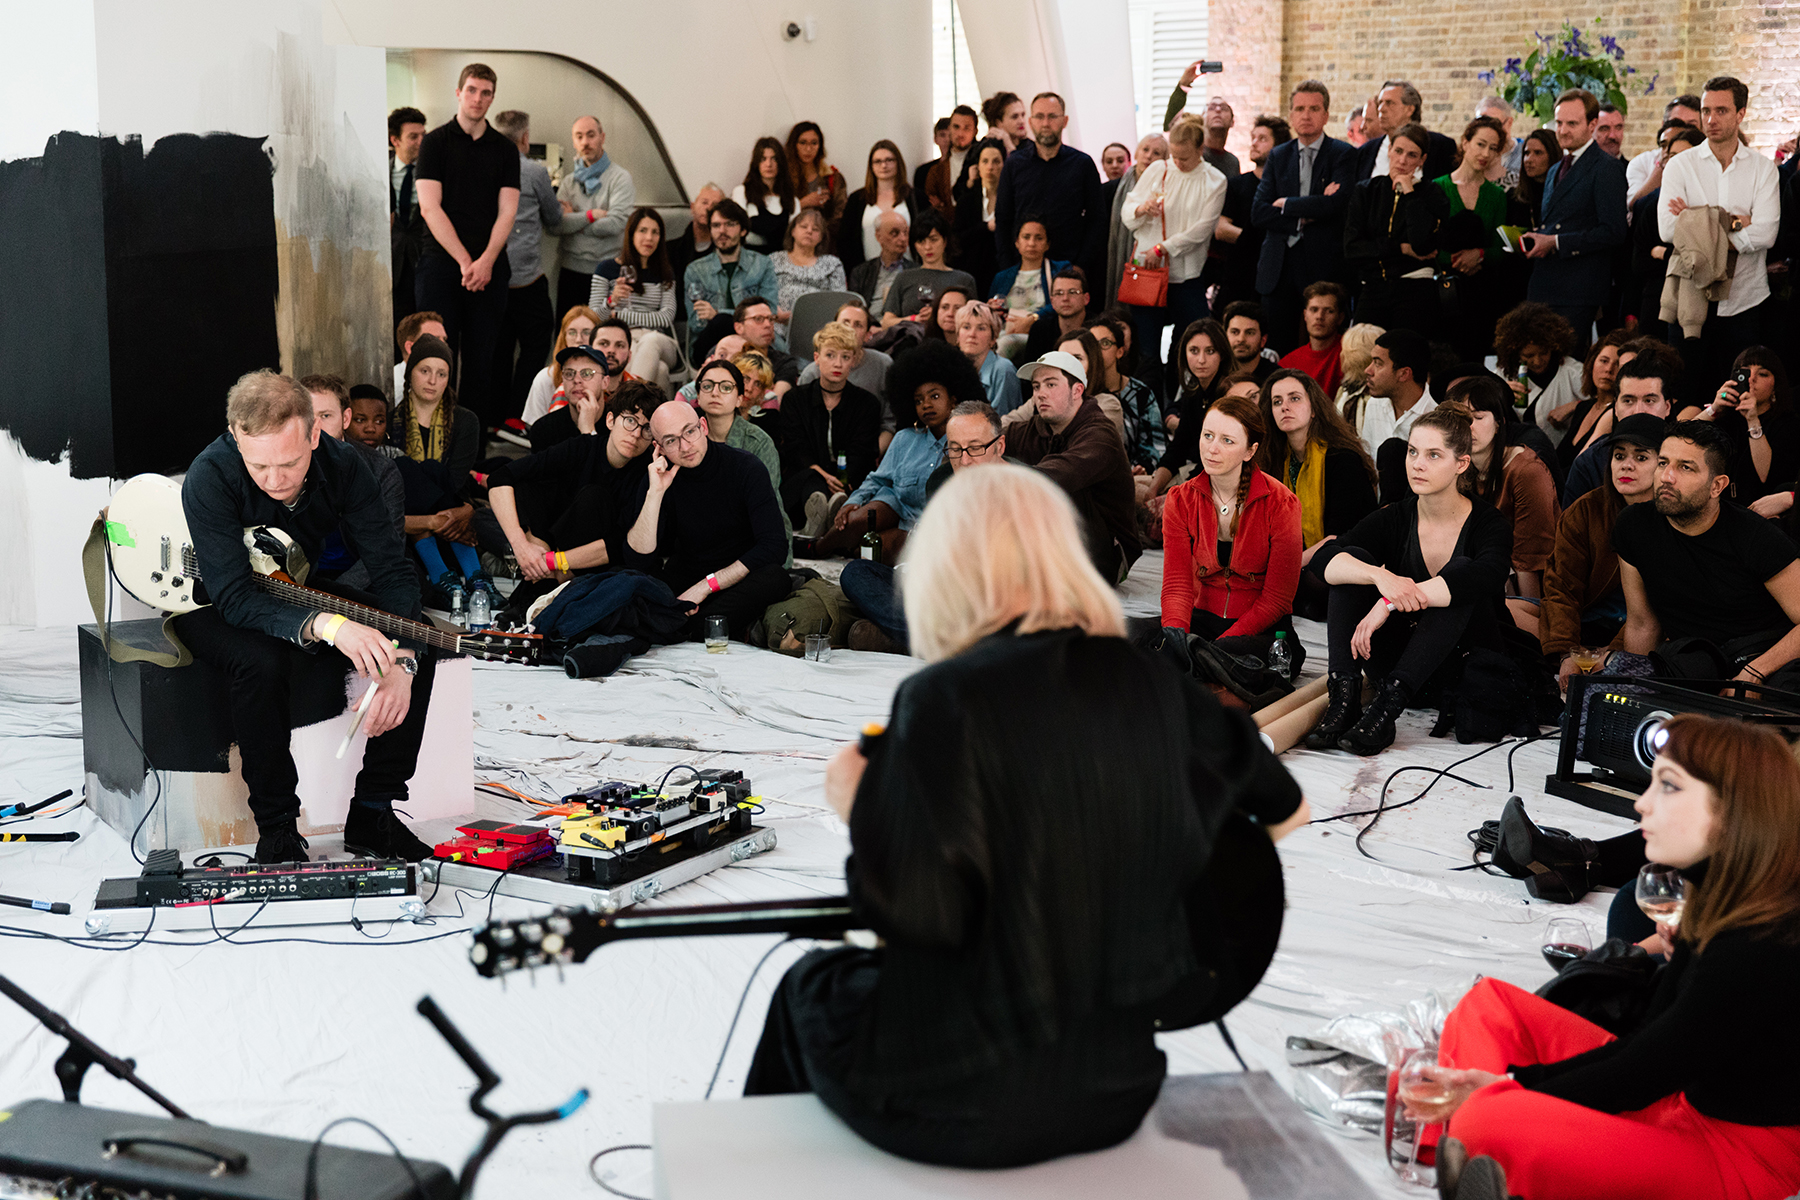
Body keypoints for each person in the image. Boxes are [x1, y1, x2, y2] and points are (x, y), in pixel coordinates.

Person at [743, 461, 1308, 1169]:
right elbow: (1285, 810)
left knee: (809, 986)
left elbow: (914, 917)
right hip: (1117, 1086)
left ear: (948, 569)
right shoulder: (1155, 685)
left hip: (961, 1101)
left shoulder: (945, 698)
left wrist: (865, 806)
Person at [1423, 714, 1800, 1200]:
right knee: (1490, 1004)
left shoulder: (1761, 939)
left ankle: (1474, 1141)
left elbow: (1647, 1069)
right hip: (1676, 1102)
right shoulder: (1720, 900)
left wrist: (1509, 1090)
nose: (1642, 803)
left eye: (1668, 786)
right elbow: (1647, 1040)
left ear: (1732, 814)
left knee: (1489, 1115)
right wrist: (1511, 1083)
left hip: (1736, 1155)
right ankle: (1461, 1146)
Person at [177, 370, 437, 864]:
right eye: (259, 466)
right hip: (209, 600)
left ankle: (374, 812)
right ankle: (277, 829)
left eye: (290, 463)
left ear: (315, 434)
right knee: (261, 661)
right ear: (235, 436)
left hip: (293, 589)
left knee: (415, 630)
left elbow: (392, 568)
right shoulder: (209, 474)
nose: (275, 480)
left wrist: (403, 659)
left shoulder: (346, 465)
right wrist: (329, 625)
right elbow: (234, 597)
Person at [1306, 407, 1513, 754]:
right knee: (1352, 559)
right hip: (1398, 660)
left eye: (1433, 455)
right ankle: (1344, 698)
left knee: (1460, 572)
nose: (1417, 464)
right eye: (1413, 451)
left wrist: (1388, 602)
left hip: (1463, 667)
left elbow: (1485, 576)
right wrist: (1380, 577)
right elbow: (1323, 560)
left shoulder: (1489, 523)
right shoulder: (1396, 516)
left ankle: (1385, 713)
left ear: (1461, 463)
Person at [1616, 420, 1800, 691]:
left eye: (1685, 467)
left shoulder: (1756, 536)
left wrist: (1755, 673)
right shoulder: (1633, 526)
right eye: (1663, 463)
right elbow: (1643, 624)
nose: (1667, 477)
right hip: (1697, 662)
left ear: (1717, 486)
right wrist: (1636, 692)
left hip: (1766, 659)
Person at [1158, 393, 1304, 700]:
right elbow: (1176, 586)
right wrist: (1178, 639)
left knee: (1228, 656)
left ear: (1250, 451)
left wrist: (1211, 650)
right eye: (1208, 435)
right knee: (1134, 636)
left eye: (1227, 441)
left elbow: (1277, 599)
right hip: (1202, 620)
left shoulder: (1281, 503)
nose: (1212, 448)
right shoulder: (1180, 499)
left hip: (1260, 631)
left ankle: (1203, 681)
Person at [624, 401, 792, 641]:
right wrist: (655, 494)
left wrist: (706, 586)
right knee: (629, 581)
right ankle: (706, 626)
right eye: (671, 441)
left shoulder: (745, 467)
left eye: (689, 432)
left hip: (737, 580)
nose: (685, 446)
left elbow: (774, 546)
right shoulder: (659, 477)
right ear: (658, 447)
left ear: (703, 426)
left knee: (776, 578)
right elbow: (638, 560)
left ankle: (683, 625)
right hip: (686, 578)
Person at [413, 63, 520, 430]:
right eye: (471, 90)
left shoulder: (505, 149)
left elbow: (508, 211)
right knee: (435, 359)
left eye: (485, 92)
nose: (478, 98)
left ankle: (473, 450)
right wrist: (465, 261)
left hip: (490, 267)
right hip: (442, 265)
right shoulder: (434, 142)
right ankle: (430, 440)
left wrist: (486, 261)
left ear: (493, 97)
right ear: (459, 93)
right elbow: (430, 207)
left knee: (481, 361)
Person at [1658, 77, 1782, 391]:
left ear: (1741, 113)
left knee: (1739, 396)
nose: (1711, 119)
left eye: (1721, 110)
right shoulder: (1680, 166)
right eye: (1706, 111)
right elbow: (1668, 229)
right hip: (1690, 299)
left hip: (1745, 301)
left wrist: (1695, 219)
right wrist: (1738, 222)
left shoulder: (1762, 168)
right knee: (1685, 392)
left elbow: (1766, 233)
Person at [488, 380, 658, 585]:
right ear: (611, 420)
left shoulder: (648, 472)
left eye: (647, 428)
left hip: (593, 565)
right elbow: (501, 476)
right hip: (548, 549)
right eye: (630, 421)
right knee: (526, 487)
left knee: (594, 498)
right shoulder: (583, 447)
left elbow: (618, 546)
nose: (636, 434)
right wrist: (521, 547)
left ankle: (543, 580)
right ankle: (536, 574)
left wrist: (551, 562)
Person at [1540, 412, 1663, 694]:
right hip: (1586, 623)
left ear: (1663, 464)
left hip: (1641, 632)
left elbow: (1657, 610)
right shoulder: (1587, 510)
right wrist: (1566, 653)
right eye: (1619, 456)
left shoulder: (1672, 518)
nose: (1626, 465)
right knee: (1507, 610)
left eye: (1641, 457)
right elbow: (1561, 587)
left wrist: (1610, 652)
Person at [810, 342, 959, 559]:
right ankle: (817, 548)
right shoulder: (905, 438)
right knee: (856, 519)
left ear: (953, 401)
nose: (926, 404)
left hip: (930, 525)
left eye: (934, 396)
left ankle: (848, 546)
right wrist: (853, 501)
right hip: (896, 504)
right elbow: (878, 479)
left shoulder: (965, 443)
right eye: (918, 400)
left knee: (872, 552)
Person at [1009, 351, 1142, 583]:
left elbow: (1061, 475)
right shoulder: (1032, 429)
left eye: (1051, 384)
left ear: (1077, 390)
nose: (1040, 393)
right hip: (1060, 549)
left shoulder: (1101, 434)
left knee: (1059, 489)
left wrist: (997, 474)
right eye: (1036, 386)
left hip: (1108, 554)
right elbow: (987, 443)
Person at [1259, 368, 1379, 619]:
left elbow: (1342, 535)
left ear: (1314, 408)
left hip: (1347, 556)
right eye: (1277, 402)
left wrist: (1285, 567)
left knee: (1313, 579)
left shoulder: (1342, 459)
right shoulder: (1273, 461)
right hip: (1300, 561)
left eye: (1294, 398)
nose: (1285, 407)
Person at [1252, 80, 1359, 354]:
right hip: (1278, 265)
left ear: (1326, 115)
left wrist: (1287, 204)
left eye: (1314, 109)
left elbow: (1336, 205)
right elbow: (1260, 212)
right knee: (1277, 348)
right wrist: (1306, 213)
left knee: (1324, 349)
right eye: (1299, 109)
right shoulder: (1278, 155)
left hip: (1323, 265)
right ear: (1291, 115)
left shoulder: (1343, 154)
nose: (1306, 115)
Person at [1120, 115, 1229, 377]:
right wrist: (1142, 208)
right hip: (1148, 272)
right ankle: (1149, 399)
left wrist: (1163, 248)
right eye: (1174, 156)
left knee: (1192, 340)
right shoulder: (1159, 169)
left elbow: (1203, 229)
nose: (1177, 163)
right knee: (1147, 350)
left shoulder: (1215, 180)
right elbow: (1127, 209)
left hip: (1186, 275)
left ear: (1200, 149)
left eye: (1184, 157)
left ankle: (1180, 395)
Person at [1450, 376, 1562, 630]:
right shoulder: (1455, 467)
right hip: (1484, 577)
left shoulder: (1525, 471)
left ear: (1499, 423)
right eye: (1460, 419)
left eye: (1478, 418)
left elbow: (1530, 560)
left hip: (1536, 593)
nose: (1469, 427)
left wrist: (1527, 619)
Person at [1522, 88, 1628, 350]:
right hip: (1545, 283)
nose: (1563, 130)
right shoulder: (1555, 169)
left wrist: (1556, 242)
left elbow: (1613, 231)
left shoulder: (1606, 168)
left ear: (1592, 125)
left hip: (1578, 289)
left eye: (1572, 123)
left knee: (1566, 363)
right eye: (1559, 123)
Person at [487, 110, 560, 419]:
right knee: (536, 344)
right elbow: (554, 219)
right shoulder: (533, 171)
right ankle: (517, 415)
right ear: (525, 137)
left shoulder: (484, 167)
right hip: (527, 278)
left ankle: (494, 417)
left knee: (498, 350)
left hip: (491, 275)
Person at [1344, 122, 1448, 339]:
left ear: (1422, 160)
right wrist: (1400, 248)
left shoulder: (1432, 193)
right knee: (1360, 350)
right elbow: (1352, 249)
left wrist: (1409, 193)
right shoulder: (1366, 191)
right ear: (1389, 150)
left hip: (1415, 287)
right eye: (1398, 151)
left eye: (1412, 155)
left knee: (1406, 350)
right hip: (1373, 286)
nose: (1402, 160)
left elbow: (1422, 245)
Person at [301, 375, 406, 590]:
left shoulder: (381, 470)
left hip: (363, 582)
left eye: (326, 415)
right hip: (301, 580)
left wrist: (336, 594)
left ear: (345, 418)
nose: (315, 426)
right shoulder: (281, 464)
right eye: (307, 416)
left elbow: (386, 548)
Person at [778, 322, 885, 530]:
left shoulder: (867, 403)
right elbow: (794, 448)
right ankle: (821, 512)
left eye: (845, 357)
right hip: (806, 476)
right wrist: (823, 475)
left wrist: (842, 479)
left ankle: (832, 511)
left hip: (851, 480)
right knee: (811, 481)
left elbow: (863, 451)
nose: (838, 364)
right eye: (830, 355)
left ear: (853, 361)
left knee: (855, 486)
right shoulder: (795, 399)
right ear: (816, 358)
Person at [690, 359, 791, 558]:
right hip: (701, 541)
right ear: (698, 397)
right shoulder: (687, 440)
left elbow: (768, 509)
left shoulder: (758, 442)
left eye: (726, 387)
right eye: (707, 386)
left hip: (750, 541)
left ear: (739, 399)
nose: (715, 393)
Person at [1676, 346, 1800, 507]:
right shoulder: (1726, 418)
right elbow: (1680, 441)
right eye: (1744, 372)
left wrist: (1752, 420)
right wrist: (1713, 409)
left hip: (1762, 508)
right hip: (1720, 506)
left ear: (1775, 386)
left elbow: (1767, 476)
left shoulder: (1788, 424)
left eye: (1762, 374)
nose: (1751, 379)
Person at [993, 93, 1104, 269]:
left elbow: (1097, 219)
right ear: (1031, 122)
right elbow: (1003, 219)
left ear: (1064, 121)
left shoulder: (1082, 164)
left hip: (1069, 267)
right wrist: (1008, 267)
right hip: (1023, 267)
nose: (1045, 123)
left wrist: (1081, 266)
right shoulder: (1014, 164)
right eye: (1039, 117)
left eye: (1052, 116)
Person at [1434, 116, 1513, 360]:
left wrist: (1478, 255)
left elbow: (1501, 248)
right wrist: (1458, 260)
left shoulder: (1497, 195)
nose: (1486, 153)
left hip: (1482, 293)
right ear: (1465, 143)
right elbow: (1429, 243)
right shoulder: (1437, 187)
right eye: (1481, 144)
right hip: (1444, 291)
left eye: (1493, 148)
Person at [1563, 353, 1680, 504]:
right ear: (1616, 408)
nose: (1638, 411)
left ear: (1667, 407)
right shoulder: (1590, 462)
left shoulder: (1687, 457)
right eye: (1628, 401)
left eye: (1649, 401)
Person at [589, 207, 681, 396]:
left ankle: (625, 401)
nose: (649, 238)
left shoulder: (665, 272)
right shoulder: (607, 269)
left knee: (650, 340)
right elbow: (594, 316)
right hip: (623, 340)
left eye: (655, 232)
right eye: (643, 231)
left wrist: (619, 315)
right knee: (660, 370)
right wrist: (611, 301)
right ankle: (653, 412)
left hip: (659, 340)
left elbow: (666, 317)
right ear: (631, 234)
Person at [1628, 125, 1707, 342]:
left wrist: (1664, 253)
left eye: (1683, 157)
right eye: (1671, 157)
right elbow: (1638, 263)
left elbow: (1703, 259)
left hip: (1700, 302)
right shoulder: (1650, 205)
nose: (1675, 163)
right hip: (1656, 301)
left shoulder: (1710, 201)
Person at [554, 115, 635, 318]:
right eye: (579, 136)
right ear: (573, 141)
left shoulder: (620, 178)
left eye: (591, 135)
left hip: (607, 273)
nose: (585, 142)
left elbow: (615, 223)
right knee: (569, 333)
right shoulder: (569, 182)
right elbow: (557, 226)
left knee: (603, 334)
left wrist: (575, 221)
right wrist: (591, 216)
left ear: (602, 137)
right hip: (570, 270)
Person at [1212, 114, 1292, 313]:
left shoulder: (1287, 188)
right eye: (1253, 138)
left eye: (1262, 139)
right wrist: (1261, 241)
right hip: (1239, 274)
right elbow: (1221, 229)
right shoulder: (1236, 184)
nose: (1254, 143)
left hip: (1275, 274)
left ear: (1278, 147)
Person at [683, 200, 779, 360]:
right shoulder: (695, 270)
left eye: (729, 224)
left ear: (743, 230)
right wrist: (745, 318)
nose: (722, 231)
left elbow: (770, 312)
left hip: (754, 340)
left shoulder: (762, 264)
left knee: (721, 320)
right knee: (719, 324)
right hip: (712, 344)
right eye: (716, 225)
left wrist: (717, 314)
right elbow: (696, 323)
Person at [1146, 319, 1231, 499]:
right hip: (1193, 471)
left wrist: (1178, 494)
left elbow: (1217, 458)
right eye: (1194, 351)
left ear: (1222, 354)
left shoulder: (1230, 394)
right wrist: (1154, 488)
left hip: (1217, 481)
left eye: (1210, 351)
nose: (1201, 360)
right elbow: (1178, 447)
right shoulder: (1193, 393)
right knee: (1133, 488)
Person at [1351, 328, 1436, 497]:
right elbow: (1369, 470)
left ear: (1403, 374)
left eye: (1378, 363)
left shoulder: (1436, 415)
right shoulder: (1374, 404)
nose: (1368, 370)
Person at [528, 322, 632, 450]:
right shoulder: (544, 429)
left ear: (605, 382)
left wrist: (588, 430)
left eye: (587, 373)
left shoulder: (620, 427)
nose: (576, 380)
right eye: (569, 373)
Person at [1496, 301, 1584, 444]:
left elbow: (1604, 403)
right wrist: (1499, 395)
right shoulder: (1504, 374)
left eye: (1543, 353)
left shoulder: (1572, 370)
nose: (1537, 361)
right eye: (1529, 356)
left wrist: (1577, 405)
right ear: (1515, 352)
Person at [1104, 133, 1171, 309]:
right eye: (1145, 149)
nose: (1149, 156)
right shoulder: (1116, 186)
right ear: (1136, 153)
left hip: (1151, 257)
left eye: (1156, 153)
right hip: (1119, 252)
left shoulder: (1167, 185)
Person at [987, 216, 1067, 360]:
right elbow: (992, 311)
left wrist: (1034, 318)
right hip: (1006, 332)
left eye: (1039, 238)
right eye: (1026, 237)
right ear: (1017, 242)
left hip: (1041, 335)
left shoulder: (1059, 270)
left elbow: (1064, 302)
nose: (1031, 243)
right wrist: (991, 309)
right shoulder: (1002, 277)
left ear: (1047, 244)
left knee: (1004, 344)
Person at [879, 210, 976, 325]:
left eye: (933, 240)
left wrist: (939, 317)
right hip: (910, 334)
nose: (927, 247)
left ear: (945, 241)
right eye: (921, 242)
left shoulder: (963, 280)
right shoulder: (904, 278)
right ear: (914, 245)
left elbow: (973, 320)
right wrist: (915, 318)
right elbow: (886, 322)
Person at [1091, 315, 1163, 471]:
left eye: (1105, 343)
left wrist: (1142, 467)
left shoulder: (1141, 393)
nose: (1097, 350)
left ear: (1120, 351)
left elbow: (1156, 445)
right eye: (1091, 344)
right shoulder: (1079, 392)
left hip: (1137, 473)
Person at [1556, 330, 1633, 472]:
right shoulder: (1583, 407)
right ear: (1592, 363)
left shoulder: (1618, 414)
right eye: (1604, 361)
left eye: (1618, 365)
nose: (1609, 369)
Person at [771, 208, 847, 350]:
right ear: (793, 231)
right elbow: (762, 292)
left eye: (815, 229)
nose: (809, 231)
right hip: (778, 326)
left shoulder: (832, 263)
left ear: (822, 237)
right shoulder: (774, 260)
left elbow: (839, 300)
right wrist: (775, 311)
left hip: (819, 328)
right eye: (804, 226)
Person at [1353, 80, 1458, 183]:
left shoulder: (1441, 146)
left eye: (1389, 103)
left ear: (1409, 109)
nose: (1381, 109)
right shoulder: (1366, 151)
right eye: (1380, 102)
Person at [839, 140, 911, 272]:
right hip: (868, 274)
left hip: (909, 272)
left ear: (898, 163)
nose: (884, 165)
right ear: (871, 166)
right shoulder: (857, 199)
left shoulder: (915, 197)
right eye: (877, 161)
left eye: (889, 160)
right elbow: (846, 241)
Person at [522, 305, 599, 426]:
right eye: (572, 332)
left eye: (586, 332)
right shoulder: (546, 378)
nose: (579, 339)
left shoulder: (610, 375)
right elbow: (536, 428)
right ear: (564, 337)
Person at [388, 106, 427, 331]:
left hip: (424, 261)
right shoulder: (379, 171)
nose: (421, 141)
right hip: (392, 263)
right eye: (413, 137)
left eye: (423, 135)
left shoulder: (433, 172)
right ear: (395, 140)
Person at [952, 138, 1007, 296]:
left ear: (1004, 165)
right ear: (978, 167)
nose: (990, 167)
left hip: (1003, 272)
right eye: (985, 161)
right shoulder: (966, 201)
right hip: (972, 274)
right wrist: (985, 227)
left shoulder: (1011, 200)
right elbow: (957, 238)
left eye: (996, 161)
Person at [1626, 94, 1704, 201]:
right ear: (1664, 126)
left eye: (1691, 126)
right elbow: (1633, 205)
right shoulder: (1642, 163)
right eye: (1674, 124)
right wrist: (1662, 165)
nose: (1681, 132)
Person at [1277, 282, 1348, 397]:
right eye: (1314, 310)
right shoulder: (1288, 363)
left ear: (1340, 318)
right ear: (1305, 315)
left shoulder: (1350, 354)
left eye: (1329, 311)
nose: (1319, 316)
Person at [954, 301, 1022, 415]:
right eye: (966, 327)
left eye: (981, 328)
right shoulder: (952, 367)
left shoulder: (1004, 370)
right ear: (957, 336)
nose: (972, 334)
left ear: (993, 338)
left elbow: (1003, 421)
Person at [733, 137, 796, 252]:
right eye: (763, 159)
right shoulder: (742, 192)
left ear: (780, 163)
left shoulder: (791, 199)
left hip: (781, 257)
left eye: (774, 159)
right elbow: (738, 232)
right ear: (756, 163)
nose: (769, 164)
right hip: (749, 256)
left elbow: (794, 238)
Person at [787, 121, 847, 242]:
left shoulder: (832, 177)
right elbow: (776, 217)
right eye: (803, 143)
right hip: (792, 242)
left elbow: (841, 215)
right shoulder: (784, 178)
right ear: (794, 145)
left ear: (820, 146)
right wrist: (802, 204)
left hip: (825, 242)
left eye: (814, 143)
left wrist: (818, 233)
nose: (808, 149)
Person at [849, 210, 915, 312]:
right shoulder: (861, 273)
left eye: (905, 233)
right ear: (878, 236)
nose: (903, 239)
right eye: (895, 233)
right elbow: (854, 309)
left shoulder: (916, 271)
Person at [1020, 265, 1090, 362]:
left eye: (1073, 292)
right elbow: (1031, 368)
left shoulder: (1096, 330)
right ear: (1052, 301)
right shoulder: (1040, 330)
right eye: (1059, 293)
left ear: (1086, 298)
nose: (1065, 298)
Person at [667, 182, 725, 295]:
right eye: (704, 202)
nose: (708, 208)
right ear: (692, 207)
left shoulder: (727, 252)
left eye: (714, 205)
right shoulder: (669, 250)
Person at [921, 105, 978, 219]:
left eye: (966, 128)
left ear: (975, 131)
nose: (960, 133)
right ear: (950, 128)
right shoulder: (937, 172)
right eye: (956, 127)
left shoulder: (983, 162)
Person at [1219, 301, 1278, 386]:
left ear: (1263, 340)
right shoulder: (1214, 375)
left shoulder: (1276, 380)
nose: (1241, 339)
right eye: (1235, 332)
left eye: (1249, 333)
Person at [391, 310, 446, 400]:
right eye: (435, 339)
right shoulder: (392, 388)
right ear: (410, 347)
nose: (444, 346)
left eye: (444, 340)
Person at [1510, 127, 1559, 228]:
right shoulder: (1515, 198)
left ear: (1552, 155)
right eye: (1526, 153)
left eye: (1538, 153)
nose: (1529, 159)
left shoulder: (1563, 195)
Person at [347, 384, 393, 451]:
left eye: (379, 421)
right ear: (344, 420)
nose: (370, 429)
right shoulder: (333, 456)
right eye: (360, 420)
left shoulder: (395, 455)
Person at [982, 91, 1028, 156]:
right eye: (1014, 117)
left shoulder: (1032, 148)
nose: (1021, 121)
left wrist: (1010, 147)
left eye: (1023, 115)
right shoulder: (988, 147)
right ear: (998, 123)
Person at [915, 117, 949, 199]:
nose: (947, 139)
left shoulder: (966, 167)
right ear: (935, 139)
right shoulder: (923, 172)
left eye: (951, 135)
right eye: (942, 135)